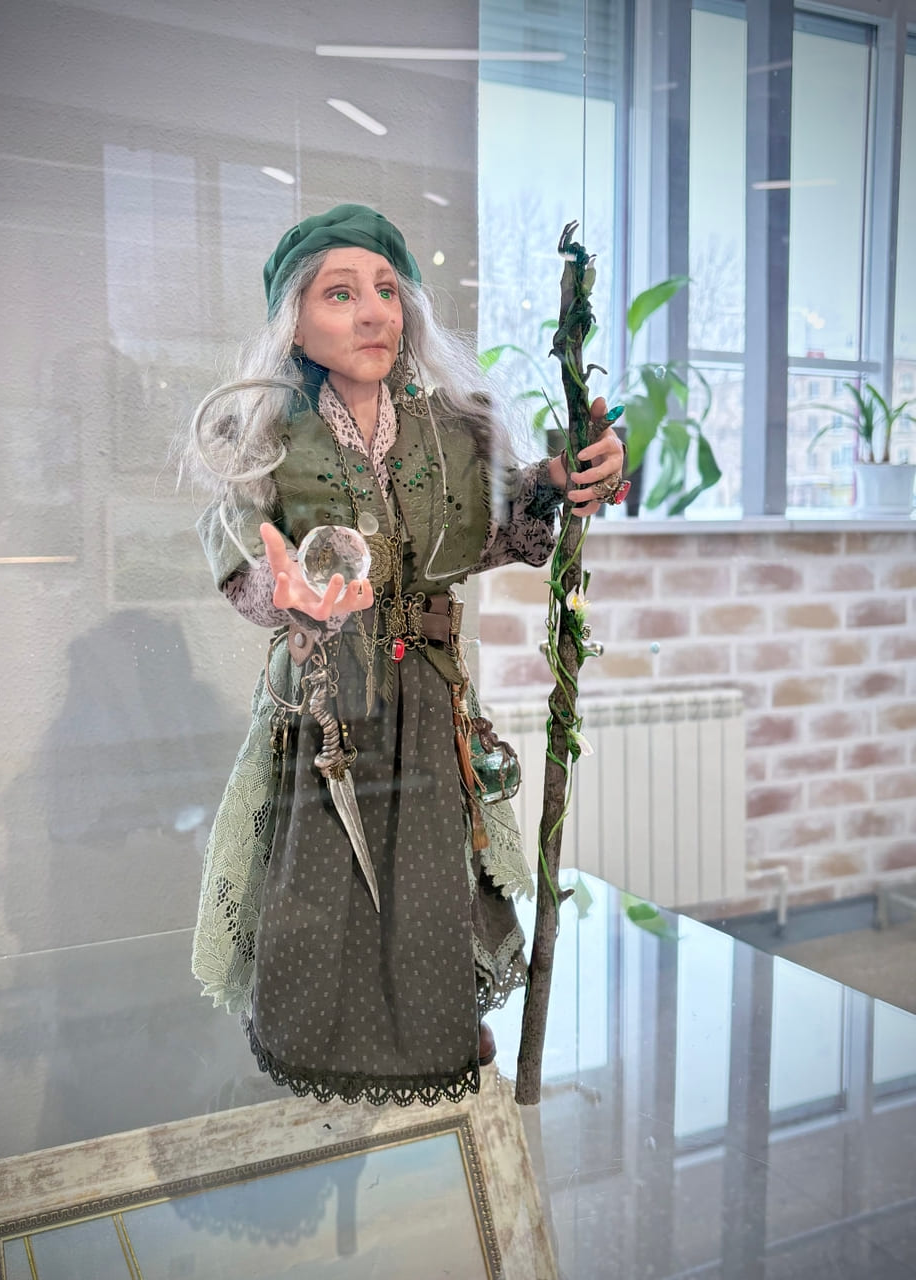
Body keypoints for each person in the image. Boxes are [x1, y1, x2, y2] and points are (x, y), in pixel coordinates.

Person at [185, 204, 624, 1107]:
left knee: (430, 873)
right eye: (340, 294)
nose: (373, 312)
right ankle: (319, 1039)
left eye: (387, 290)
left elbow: (501, 524)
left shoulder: (450, 429)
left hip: (426, 697)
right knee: (323, 874)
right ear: (294, 323)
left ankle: (433, 1033)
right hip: (325, 702)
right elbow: (241, 564)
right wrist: (290, 597)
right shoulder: (265, 437)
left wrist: (569, 474)